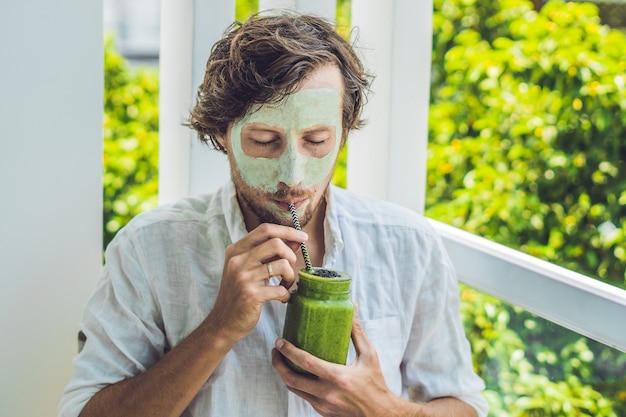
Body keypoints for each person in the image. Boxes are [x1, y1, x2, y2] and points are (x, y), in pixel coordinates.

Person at [59, 12, 488, 417]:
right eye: (264, 140)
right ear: (220, 133)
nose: (293, 176)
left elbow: (463, 404)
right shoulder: (147, 249)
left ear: (343, 132)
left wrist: (383, 409)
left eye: (316, 140)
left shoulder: (407, 244)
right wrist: (217, 330)